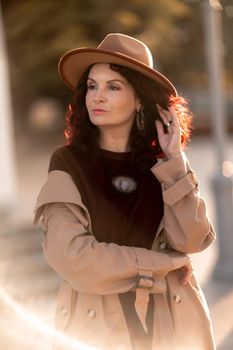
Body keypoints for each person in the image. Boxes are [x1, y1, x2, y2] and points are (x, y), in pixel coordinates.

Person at [33, 33, 216, 350]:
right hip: (95, 330)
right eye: (92, 86)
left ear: (140, 100)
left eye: (113, 86)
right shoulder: (68, 162)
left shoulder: (163, 165)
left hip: (171, 323)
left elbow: (190, 240)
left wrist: (175, 160)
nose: (97, 97)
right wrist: (163, 264)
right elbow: (74, 259)